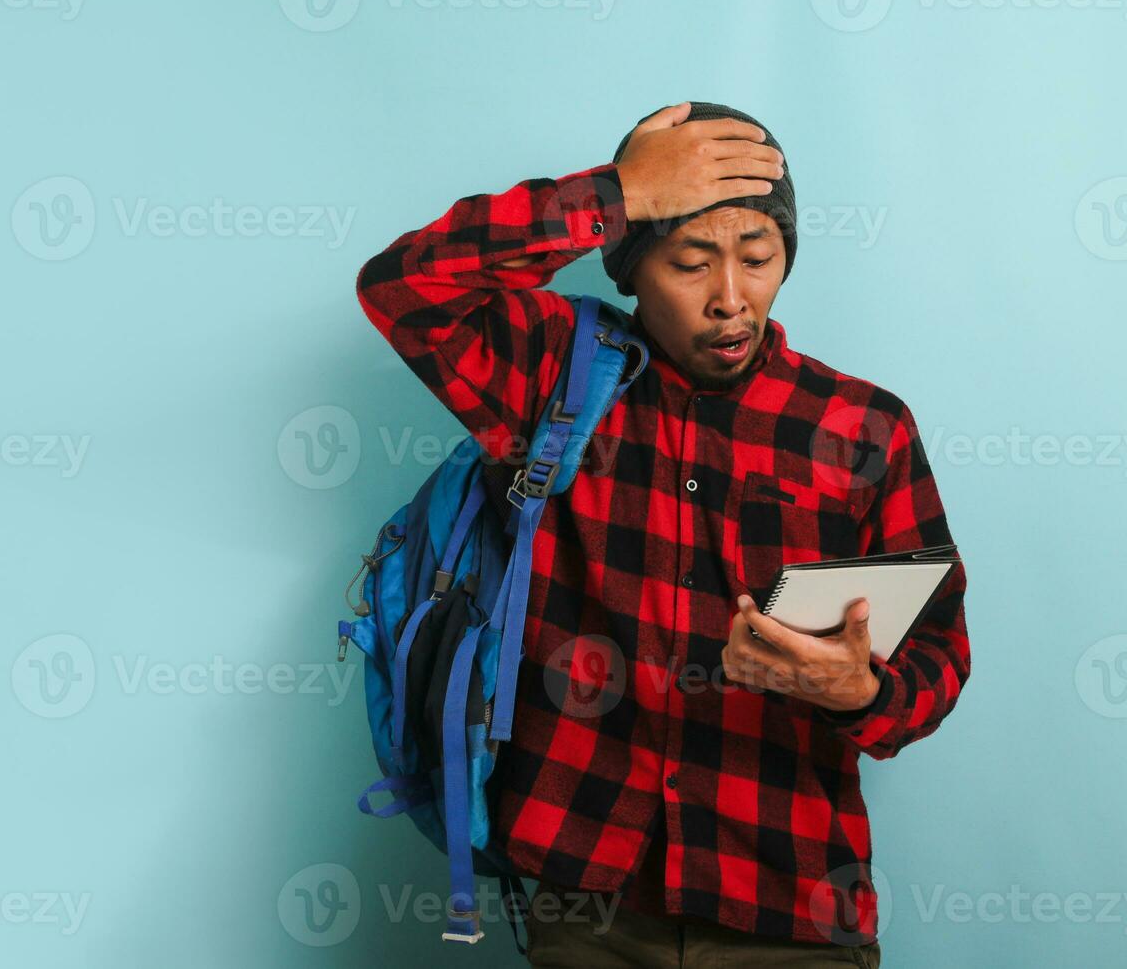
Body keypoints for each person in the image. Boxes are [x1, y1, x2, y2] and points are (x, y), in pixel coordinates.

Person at [356, 100, 970, 968]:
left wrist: (859, 693)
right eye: (690, 262)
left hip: (788, 901)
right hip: (587, 897)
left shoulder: (864, 428)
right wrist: (618, 191)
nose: (731, 298)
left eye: (758, 258)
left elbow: (939, 659)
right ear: (630, 266)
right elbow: (404, 287)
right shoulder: (549, 380)